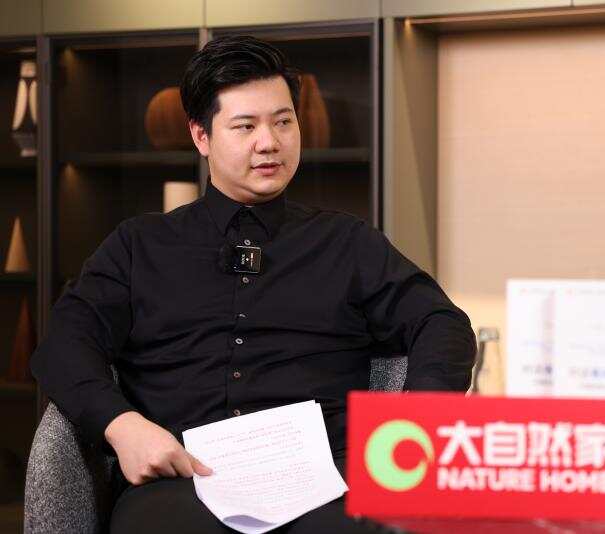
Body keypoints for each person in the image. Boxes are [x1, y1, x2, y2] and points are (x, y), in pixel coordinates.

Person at [30, 35, 476, 533]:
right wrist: (122, 425)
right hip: (183, 481)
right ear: (201, 136)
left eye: (283, 122)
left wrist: (413, 422)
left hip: (325, 481)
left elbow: (442, 322)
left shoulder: (347, 243)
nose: (270, 142)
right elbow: (65, 342)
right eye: (245, 126)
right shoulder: (139, 245)